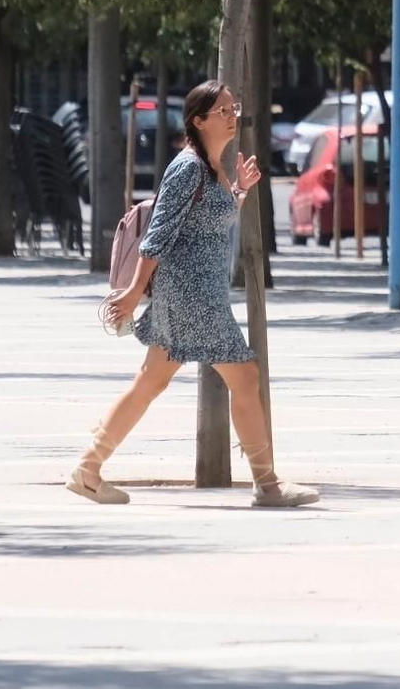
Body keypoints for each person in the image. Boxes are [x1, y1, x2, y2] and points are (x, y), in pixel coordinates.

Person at [70, 80, 319, 508]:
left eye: (233, 108)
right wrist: (132, 293)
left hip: (194, 293)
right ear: (198, 121)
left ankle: (88, 469)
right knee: (244, 376)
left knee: (150, 382)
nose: (232, 116)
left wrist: (237, 192)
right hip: (191, 295)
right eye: (222, 111)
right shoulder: (188, 167)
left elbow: (206, 221)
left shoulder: (212, 166)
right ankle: (268, 484)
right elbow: (159, 234)